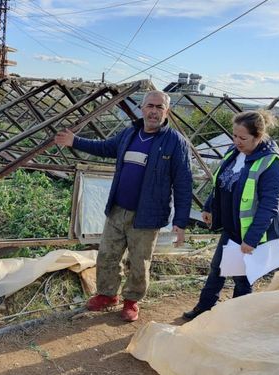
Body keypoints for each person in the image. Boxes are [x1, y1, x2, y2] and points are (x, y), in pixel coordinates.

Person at [54, 90, 192, 322]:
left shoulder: (175, 142)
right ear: (142, 108)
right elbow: (106, 148)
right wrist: (75, 141)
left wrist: (180, 222)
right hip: (118, 208)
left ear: (166, 111)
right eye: (150, 106)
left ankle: (132, 301)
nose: (154, 111)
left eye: (160, 107)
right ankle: (107, 295)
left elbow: (183, 183)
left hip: (147, 215)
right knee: (107, 255)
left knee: (139, 261)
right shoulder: (130, 133)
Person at [182, 110, 279, 321]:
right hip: (232, 227)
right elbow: (220, 183)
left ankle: (238, 320)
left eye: (243, 138)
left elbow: (269, 206)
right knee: (218, 269)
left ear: (258, 137)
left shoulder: (271, 164)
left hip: (249, 232)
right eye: (234, 136)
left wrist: (251, 239)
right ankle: (205, 308)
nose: (236, 141)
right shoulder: (235, 152)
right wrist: (209, 206)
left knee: (242, 279)